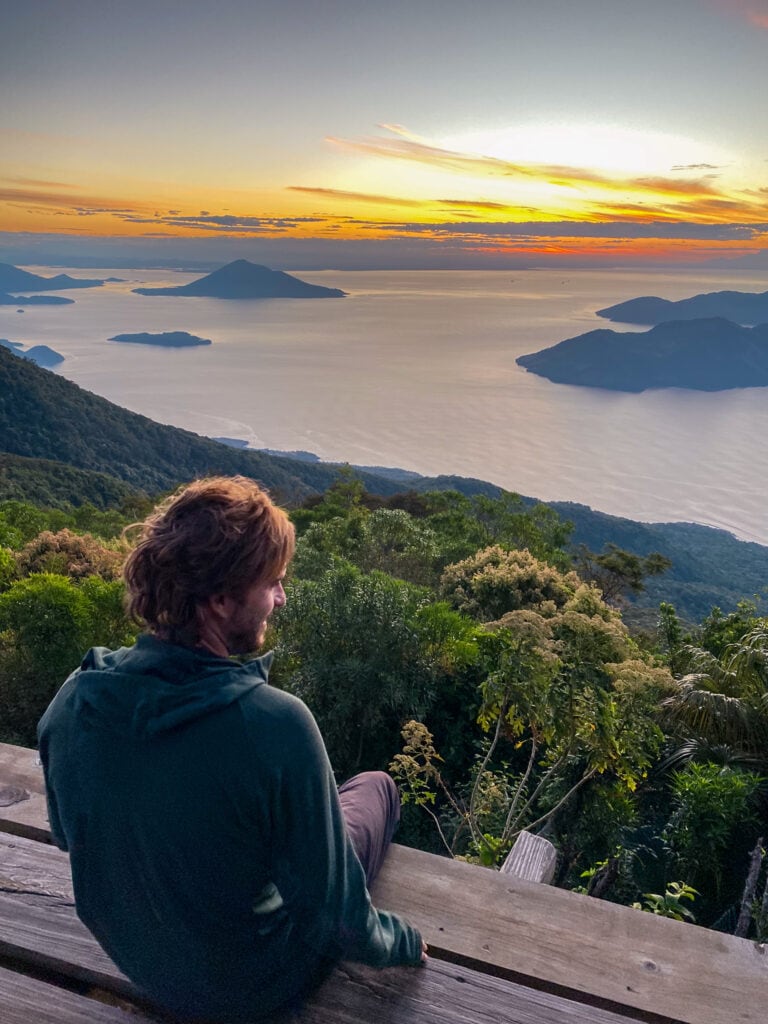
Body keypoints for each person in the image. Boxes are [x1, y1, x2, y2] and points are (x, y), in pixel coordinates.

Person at [37, 476, 425, 1022]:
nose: (281, 598)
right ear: (220, 600)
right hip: (250, 984)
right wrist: (405, 941)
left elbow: (68, 835)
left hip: (137, 959)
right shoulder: (276, 726)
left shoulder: (72, 702)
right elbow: (337, 922)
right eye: (273, 584)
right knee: (375, 789)